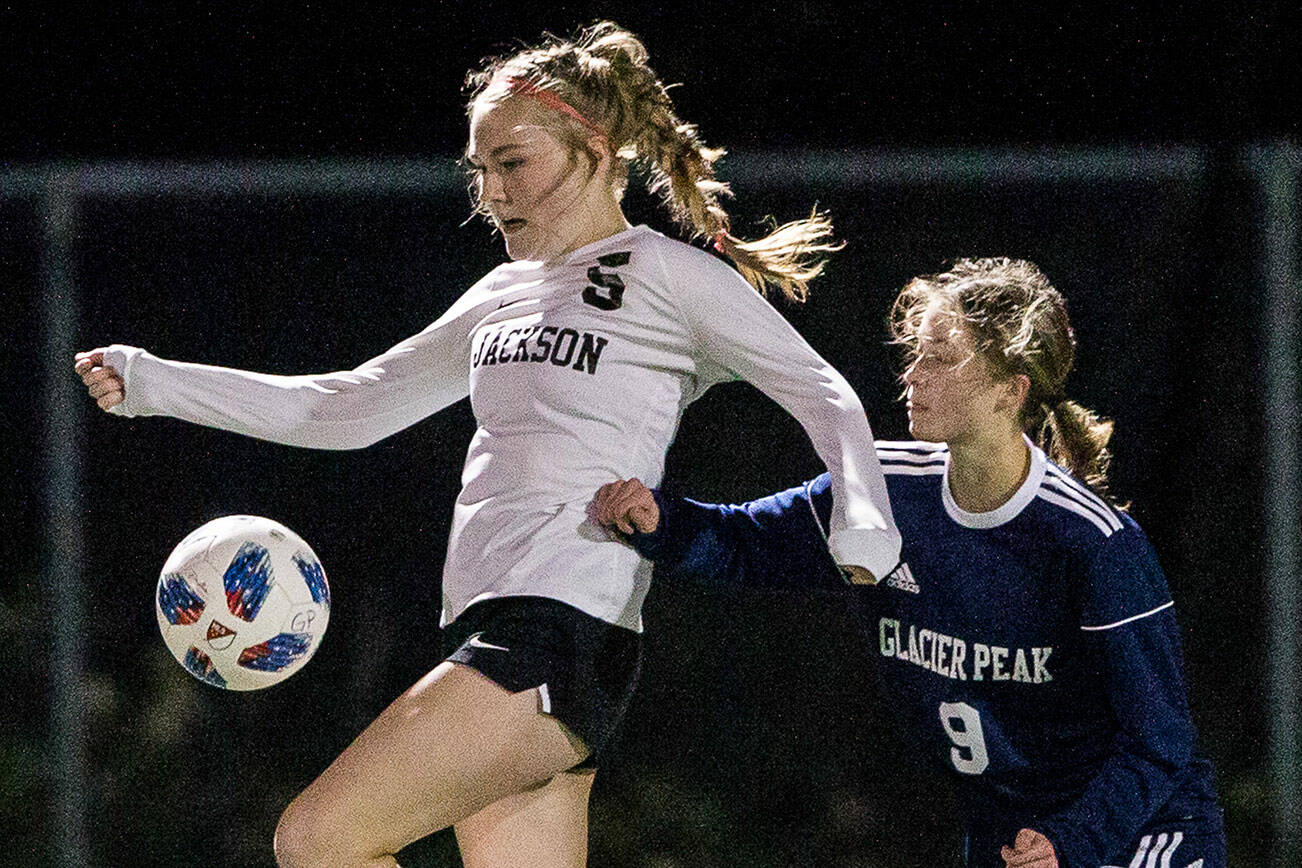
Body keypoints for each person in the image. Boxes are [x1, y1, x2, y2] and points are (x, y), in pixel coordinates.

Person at [73, 21, 901, 868]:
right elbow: (347, 406)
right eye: (481, 170)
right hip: (486, 627)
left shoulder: (663, 274)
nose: (493, 191)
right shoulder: (501, 292)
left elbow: (822, 389)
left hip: (558, 632)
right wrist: (156, 385)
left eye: (514, 163)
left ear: (595, 146)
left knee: (317, 841)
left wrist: (865, 518)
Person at [594, 258, 1225, 868]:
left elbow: (1158, 739)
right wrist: (660, 523)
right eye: (915, 354)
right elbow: (748, 544)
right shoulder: (883, 486)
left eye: (942, 359)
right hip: (1012, 835)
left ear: (1011, 392)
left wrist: (1072, 844)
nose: (913, 376)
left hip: (1136, 832)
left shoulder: (1091, 542)